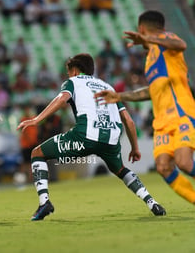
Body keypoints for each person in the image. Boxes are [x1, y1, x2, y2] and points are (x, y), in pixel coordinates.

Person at [17, 53, 166, 221]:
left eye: (68, 72)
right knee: (121, 169)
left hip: (84, 137)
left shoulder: (72, 82)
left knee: (37, 153)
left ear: (74, 70)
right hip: (111, 141)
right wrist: (135, 148)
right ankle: (151, 202)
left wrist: (37, 119)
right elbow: (129, 121)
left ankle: (44, 202)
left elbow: (62, 98)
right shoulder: (108, 87)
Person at [95, 10, 195, 204]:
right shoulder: (151, 59)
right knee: (163, 166)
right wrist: (119, 96)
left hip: (181, 113)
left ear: (141, 28)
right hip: (162, 122)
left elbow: (181, 44)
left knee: (183, 162)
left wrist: (150, 38)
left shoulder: (166, 39)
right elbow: (151, 91)